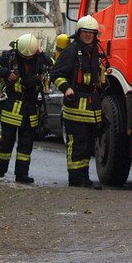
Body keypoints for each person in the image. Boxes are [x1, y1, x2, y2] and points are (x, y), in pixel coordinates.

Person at [49, 16, 105, 189]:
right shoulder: (71, 51)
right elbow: (55, 74)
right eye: (85, 32)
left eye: (91, 33)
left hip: (91, 108)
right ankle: (75, 178)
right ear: (79, 33)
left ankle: (84, 177)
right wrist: (66, 88)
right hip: (75, 107)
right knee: (77, 143)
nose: (88, 36)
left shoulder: (95, 51)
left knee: (88, 144)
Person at [0, 33, 49, 184]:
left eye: (30, 56)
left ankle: (22, 174)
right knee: (6, 141)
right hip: (11, 107)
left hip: (30, 109)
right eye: (24, 56)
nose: (27, 58)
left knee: (26, 145)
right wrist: (5, 72)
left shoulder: (39, 58)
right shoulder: (10, 57)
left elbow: (53, 63)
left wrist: (43, 55)